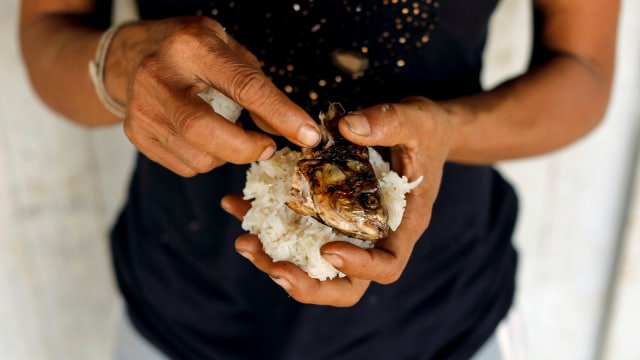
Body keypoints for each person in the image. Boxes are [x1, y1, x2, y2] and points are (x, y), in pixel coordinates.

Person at [18, 0, 619, 359]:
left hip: (441, 318)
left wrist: (451, 130)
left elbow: (583, 71)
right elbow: (50, 30)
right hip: (180, 311)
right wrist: (121, 66)